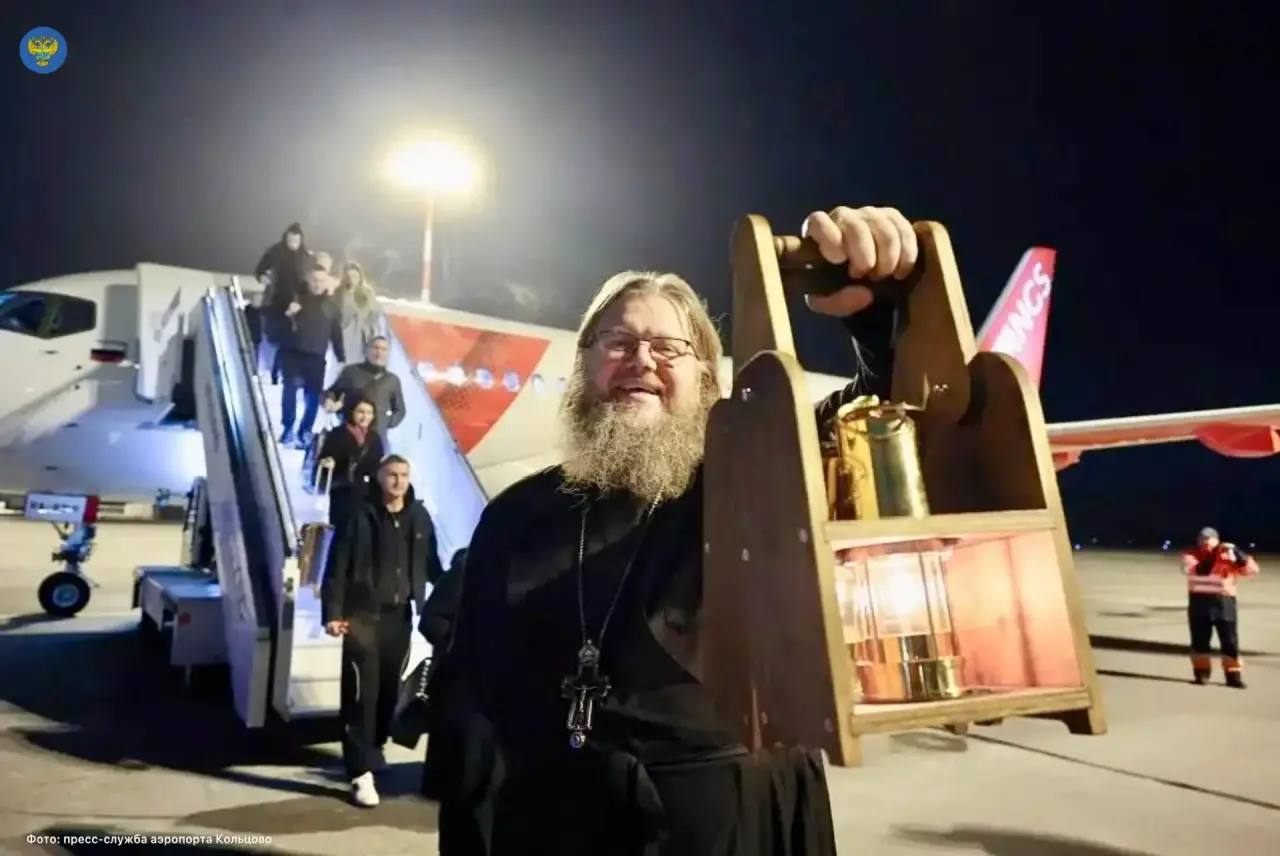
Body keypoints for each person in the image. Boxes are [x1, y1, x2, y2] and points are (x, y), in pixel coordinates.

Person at [435, 206, 917, 855]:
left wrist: (877, 319)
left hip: (729, 816)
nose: (642, 361)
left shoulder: (759, 485)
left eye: (669, 348)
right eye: (618, 342)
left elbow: (877, 413)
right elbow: (471, 697)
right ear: (583, 367)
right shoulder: (518, 515)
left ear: (707, 379)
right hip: (557, 819)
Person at [321, 453, 446, 808]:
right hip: (362, 618)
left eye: (404, 475)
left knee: (389, 691)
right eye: (392, 475)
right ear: (379, 477)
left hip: (399, 617)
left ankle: (374, 749)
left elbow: (432, 565)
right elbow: (337, 566)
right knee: (362, 693)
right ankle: (359, 771)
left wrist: (458, 586)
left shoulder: (419, 517)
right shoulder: (359, 516)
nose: (398, 481)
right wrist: (333, 612)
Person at [1181, 526, 1260, 688]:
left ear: (1217, 540)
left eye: (1209, 538)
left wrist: (1239, 556)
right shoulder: (1190, 555)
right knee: (1199, 641)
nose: (1205, 541)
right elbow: (1196, 570)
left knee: (1230, 641)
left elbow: (1252, 571)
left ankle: (1233, 675)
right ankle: (1201, 673)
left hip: (1224, 602)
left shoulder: (1229, 554)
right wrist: (1216, 555)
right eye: (1202, 538)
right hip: (1199, 603)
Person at [280, 262, 345, 449]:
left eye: (321, 281)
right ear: (308, 280)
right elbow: (278, 324)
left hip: (316, 356)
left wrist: (341, 357)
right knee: (290, 390)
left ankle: (305, 431)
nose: (317, 284)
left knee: (313, 396)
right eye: (314, 280)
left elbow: (336, 333)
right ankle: (288, 428)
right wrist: (288, 315)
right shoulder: (296, 298)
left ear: (326, 282)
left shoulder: (332, 306)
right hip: (293, 353)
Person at [315, 395, 386, 533]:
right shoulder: (338, 433)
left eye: (369, 413)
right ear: (352, 412)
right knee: (342, 530)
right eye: (361, 412)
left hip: (365, 493)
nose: (365, 417)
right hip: (342, 490)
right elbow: (324, 457)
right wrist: (329, 462)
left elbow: (377, 464)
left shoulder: (374, 437)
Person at [255, 223, 310, 383]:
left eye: (296, 240)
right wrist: (263, 277)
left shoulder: (305, 257)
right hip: (275, 301)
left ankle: (283, 371)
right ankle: (268, 370)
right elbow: (260, 270)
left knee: (291, 339)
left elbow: (307, 282)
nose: (293, 243)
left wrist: (302, 301)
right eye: (290, 239)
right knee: (273, 338)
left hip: (296, 303)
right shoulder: (275, 252)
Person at [326, 337, 407, 446]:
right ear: (366, 350)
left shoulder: (392, 380)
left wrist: (384, 422)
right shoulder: (351, 372)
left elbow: (400, 410)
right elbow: (332, 392)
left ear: (388, 353)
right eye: (375, 348)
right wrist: (330, 401)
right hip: (348, 433)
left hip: (376, 438)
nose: (379, 353)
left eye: (384, 349)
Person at [335, 261, 382, 366]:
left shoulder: (368, 293)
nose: (352, 279)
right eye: (349, 276)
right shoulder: (339, 293)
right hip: (346, 336)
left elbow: (374, 314)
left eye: (355, 276)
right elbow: (339, 317)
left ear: (360, 277)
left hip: (364, 336)